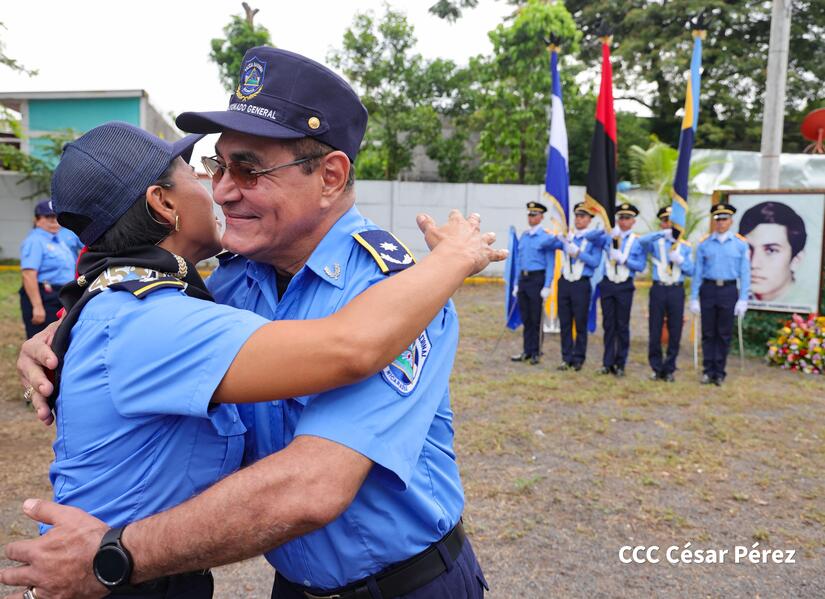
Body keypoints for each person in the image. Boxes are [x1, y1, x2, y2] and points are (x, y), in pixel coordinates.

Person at [4, 47, 498, 599]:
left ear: (330, 177)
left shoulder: (398, 297)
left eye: (249, 168)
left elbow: (311, 487)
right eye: (218, 166)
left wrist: (114, 557)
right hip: (293, 586)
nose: (221, 189)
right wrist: (62, 335)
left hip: (408, 587)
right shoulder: (231, 284)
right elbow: (143, 327)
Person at [689, 202, 750, 386]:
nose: (721, 223)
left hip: (729, 290)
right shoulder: (704, 244)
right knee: (708, 332)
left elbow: (745, 272)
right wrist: (693, 297)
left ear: (731, 221)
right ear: (714, 222)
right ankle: (708, 371)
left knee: (724, 333)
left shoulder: (740, 244)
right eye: (718, 219)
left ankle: (719, 371)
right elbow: (698, 272)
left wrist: (743, 298)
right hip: (709, 289)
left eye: (725, 219)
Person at [542, 202, 603, 371]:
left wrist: (578, 253)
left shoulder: (593, 239)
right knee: (565, 322)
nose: (578, 219)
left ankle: (578, 359)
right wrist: (559, 237)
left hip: (581, 284)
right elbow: (545, 245)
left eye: (583, 216)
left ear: (590, 219)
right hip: (565, 283)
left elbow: (595, 262)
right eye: (577, 216)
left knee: (580, 323)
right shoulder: (569, 237)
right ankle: (566, 357)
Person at [588, 202, 646, 377]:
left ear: (633, 221)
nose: (623, 221)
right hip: (608, 284)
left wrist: (624, 260)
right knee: (608, 325)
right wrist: (605, 229)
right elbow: (589, 237)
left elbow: (641, 266)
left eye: (627, 218)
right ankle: (607, 363)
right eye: (620, 218)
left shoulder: (637, 241)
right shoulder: (609, 236)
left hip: (624, 286)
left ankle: (620, 364)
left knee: (622, 325)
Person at [638, 206, 694, 382]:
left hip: (676, 289)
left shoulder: (684, 246)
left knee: (675, 328)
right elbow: (641, 241)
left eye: (671, 221)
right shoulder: (655, 242)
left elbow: (692, 270)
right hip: (659, 288)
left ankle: (669, 368)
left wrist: (681, 261)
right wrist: (662, 234)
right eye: (664, 221)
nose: (668, 224)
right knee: (655, 328)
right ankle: (656, 367)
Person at [18, 200, 76, 339]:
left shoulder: (56, 239)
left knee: (57, 340)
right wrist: (37, 306)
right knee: (43, 342)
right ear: (37, 220)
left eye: (56, 216)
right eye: (48, 217)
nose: (54, 221)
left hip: (59, 296)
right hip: (45, 296)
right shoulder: (35, 240)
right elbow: (28, 274)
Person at [510, 201, 555, 365]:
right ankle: (526, 351)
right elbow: (519, 261)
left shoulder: (546, 237)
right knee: (526, 318)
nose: (531, 217)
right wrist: (516, 283)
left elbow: (551, 262)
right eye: (529, 214)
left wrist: (547, 285)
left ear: (541, 217)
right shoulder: (524, 236)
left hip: (537, 279)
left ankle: (536, 351)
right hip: (524, 279)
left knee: (536, 318)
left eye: (534, 214)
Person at [738, 201, 807, 303]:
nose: (753, 264)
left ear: (796, 260)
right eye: (748, 248)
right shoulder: (732, 299)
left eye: (771, 250)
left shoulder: (806, 303)